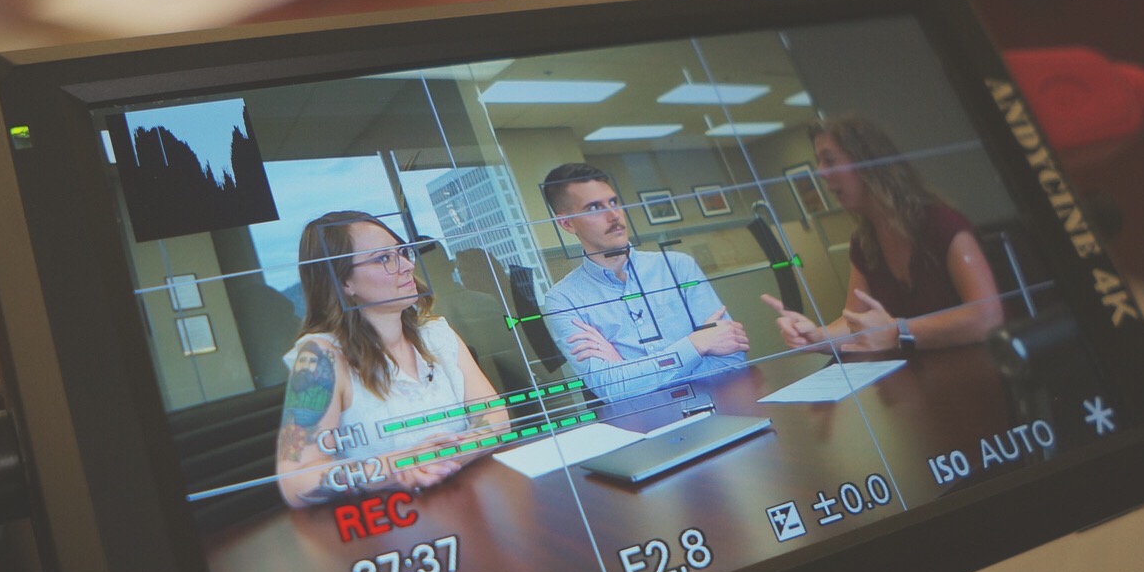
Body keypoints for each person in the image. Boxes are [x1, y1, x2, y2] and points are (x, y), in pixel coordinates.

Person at [275, 211, 508, 508]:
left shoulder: (436, 334)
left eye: (402, 253)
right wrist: (399, 465)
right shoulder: (321, 357)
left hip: (466, 503)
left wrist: (452, 454)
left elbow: (496, 418)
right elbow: (297, 481)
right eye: (384, 258)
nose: (408, 265)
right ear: (345, 281)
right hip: (389, 526)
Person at [763, 114, 1004, 353]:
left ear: (868, 163)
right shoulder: (863, 242)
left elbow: (987, 317)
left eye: (830, 160)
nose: (821, 172)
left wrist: (899, 331)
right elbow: (854, 322)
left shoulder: (941, 223)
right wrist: (816, 336)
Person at [539, 163, 749, 401]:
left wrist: (630, 373)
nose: (614, 215)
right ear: (567, 223)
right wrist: (696, 344)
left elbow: (732, 360)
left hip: (720, 410)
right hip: (648, 425)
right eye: (595, 207)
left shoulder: (679, 267)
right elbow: (611, 390)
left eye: (614, 202)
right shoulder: (564, 299)